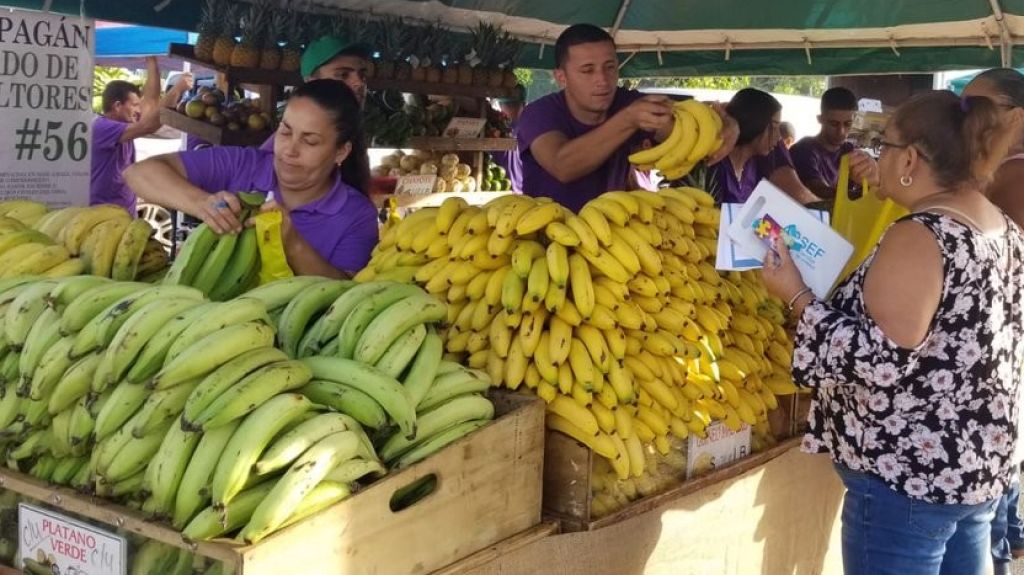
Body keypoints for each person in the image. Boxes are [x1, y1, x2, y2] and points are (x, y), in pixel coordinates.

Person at [762, 90, 1024, 574]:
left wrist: (797, 295)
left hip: (908, 479)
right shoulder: (999, 227)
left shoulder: (921, 233)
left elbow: (882, 359)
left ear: (909, 158)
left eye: (882, 145)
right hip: (973, 466)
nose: (873, 157)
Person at [124, 80, 377, 277]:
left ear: (341, 151)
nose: (290, 149)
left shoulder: (356, 215)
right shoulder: (242, 165)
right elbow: (138, 173)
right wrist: (203, 204)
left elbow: (345, 295)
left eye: (310, 141)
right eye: (285, 132)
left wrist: (292, 243)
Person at [516, 24, 736, 212]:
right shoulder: (539, 114)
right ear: (561, 77)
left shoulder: (628, 102)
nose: (602, 80)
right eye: (587, 70)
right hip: (547, 241)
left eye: (610, 67)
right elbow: (563, 166)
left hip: (614, 241)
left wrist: (725, 125)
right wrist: (627, 120)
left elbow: (677, 127)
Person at [961, 67, 1024, 575]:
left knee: (990, 519)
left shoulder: (1013, 178)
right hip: (1000, 380)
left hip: (995, 373)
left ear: (1016, 117)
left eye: (976, 110)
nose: (966, 123)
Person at [91, 57, 192, 212]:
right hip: (102, 213)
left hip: (125, 212)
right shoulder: (102, 127)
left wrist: (152, 62)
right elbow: (148, 125)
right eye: (135, 105)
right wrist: (177, 89)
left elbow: (151, 101)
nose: (139, 110)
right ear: (118, 106)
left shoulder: (125, 125)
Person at [707, 88, 817, 204]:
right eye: (774, 127)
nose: (778, 136)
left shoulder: (752, 168)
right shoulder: (715, 164)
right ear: (756, 122)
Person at [790, 87, 877, 200]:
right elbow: (818, 190)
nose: (841, 131)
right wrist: (863, 196)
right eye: (834, 124)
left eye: (847, 124)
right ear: (820, 119)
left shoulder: (849, 151)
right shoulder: (804, 150)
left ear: (854, 120)